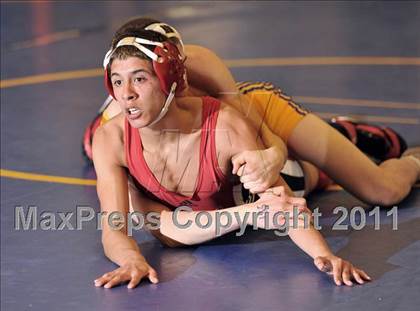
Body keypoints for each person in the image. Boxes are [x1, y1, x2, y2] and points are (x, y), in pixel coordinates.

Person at [91, 20, 374, 290]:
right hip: (218, 210)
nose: (126, 94)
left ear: (170, 80)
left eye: (139, 79)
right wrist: (131, 260)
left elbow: (282, 203)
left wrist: (324, 256)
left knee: (369, 188)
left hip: (256, 136)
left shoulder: (225, 120)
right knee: (161, 226)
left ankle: (354, 138)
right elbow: (118, 228)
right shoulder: (110, 137)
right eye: (117, 82)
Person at [84, 17, 420, 206]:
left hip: (252, 112)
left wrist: (273, 154)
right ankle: (339, 136)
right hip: (209, 144)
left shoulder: (198, 64)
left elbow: (255, 127)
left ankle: (401, 155)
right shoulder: (118, 118)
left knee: (382, 191)